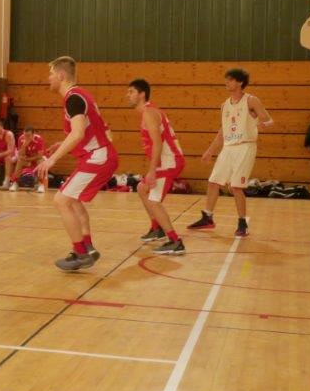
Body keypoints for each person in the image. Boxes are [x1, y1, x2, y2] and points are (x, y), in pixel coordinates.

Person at [36, 56, 119, 272]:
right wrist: (62, 144)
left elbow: (78, 133)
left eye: (51, 74)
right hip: (100, 154)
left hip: (98, 156)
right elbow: (89, 131)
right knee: (72, 202)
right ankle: (88, 247)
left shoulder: (73, 98)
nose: (48, 78)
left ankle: (80, 253)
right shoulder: (80, 95)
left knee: (61, 201)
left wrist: (52, 159)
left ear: (61, 75)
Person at [188, 68, 273, 238]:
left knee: (235, 187)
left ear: (240, 82)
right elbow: (222, 132)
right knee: (213, 182)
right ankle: (207, 217)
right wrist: (210, 151)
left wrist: (265, 124)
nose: (226, 82)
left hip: (245, 146)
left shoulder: (251, 100)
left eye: (230, 79)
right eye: (226, 79)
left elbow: (269, 120)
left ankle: (242, 223)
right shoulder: (225, 105)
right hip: (228, 147)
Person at [127, 79, 186, 255]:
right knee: (142, 188)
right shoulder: (149, 111)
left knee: (154, 201)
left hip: (169, 161)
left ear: (142, 94)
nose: (127, 95)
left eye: (131, 92)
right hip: (167, 160)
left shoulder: (149, 113)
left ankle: (175, 241)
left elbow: (158, 144)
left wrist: (152, 171)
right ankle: (157, 228)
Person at [9, 127, 47, 193]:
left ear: (33, 134)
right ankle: (15, 183)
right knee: (20, 161)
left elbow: (39, 156)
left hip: (37, 159)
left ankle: (41, 184)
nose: (26, 137)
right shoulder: (21, 139)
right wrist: (24, 145)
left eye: (28, 135)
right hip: (27, 159)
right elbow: (20, 154)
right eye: (25, 135)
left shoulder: (39, 139)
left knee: (41, 162)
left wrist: (28, 159)